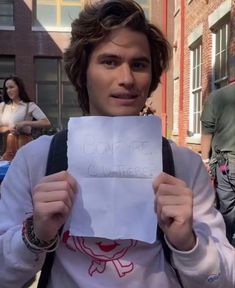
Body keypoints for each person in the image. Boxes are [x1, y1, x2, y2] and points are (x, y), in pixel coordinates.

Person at [0, 1, 234, 287]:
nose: (126, 79)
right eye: (109, 62)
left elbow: (223, 279)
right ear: (83, 72)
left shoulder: (184, 165)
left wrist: (188, 243)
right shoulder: (35, 160)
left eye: (139, 64)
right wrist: (35, 234)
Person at [201, 82, 235, 246]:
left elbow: (207, 131)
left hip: (227, 164)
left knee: (227, 207)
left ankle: (226, 245)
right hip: (227, 163)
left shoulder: (217, 97)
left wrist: (206, 160)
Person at [0, 75, 51, 161]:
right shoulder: (2, 106)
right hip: (7, 150)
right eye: (6, 88)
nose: (8, 90)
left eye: (11, 87)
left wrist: (25, 123)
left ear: (19, 88)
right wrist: (9, 127)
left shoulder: (29, 106)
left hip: (25, 147)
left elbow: (46, 123)